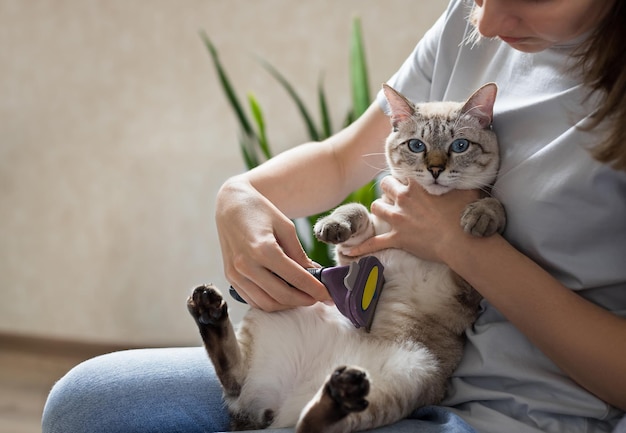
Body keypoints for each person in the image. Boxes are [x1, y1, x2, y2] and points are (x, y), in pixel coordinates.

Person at [42, 0, 626, 432]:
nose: (491, 23)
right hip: (350, 340)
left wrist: (464, 247)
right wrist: (240, 193)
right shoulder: (468, 25)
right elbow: (345, 156)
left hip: (509, 413)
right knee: (91, 401)